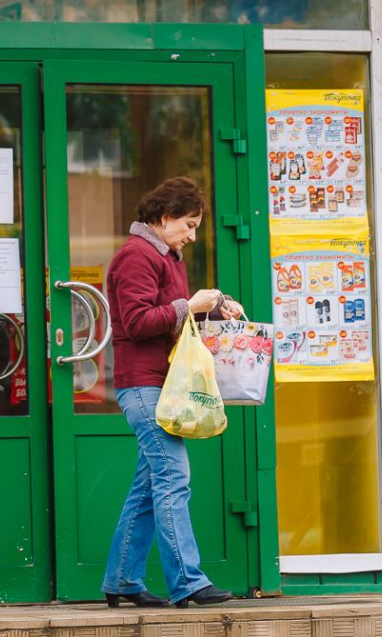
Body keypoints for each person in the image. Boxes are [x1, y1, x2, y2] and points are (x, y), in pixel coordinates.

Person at [102, 177, 243, 610]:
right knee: (173, 479)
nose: (193, 235)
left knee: (149, 486)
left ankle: (122, 580)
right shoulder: (135, 256)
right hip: (142, 383)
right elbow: (139, 321)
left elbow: (170, 321)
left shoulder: (165, 255)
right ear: (163, 218)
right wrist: (190, 306)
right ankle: (188, 582)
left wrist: (213, 308)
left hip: (158, 383)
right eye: (189, 224)